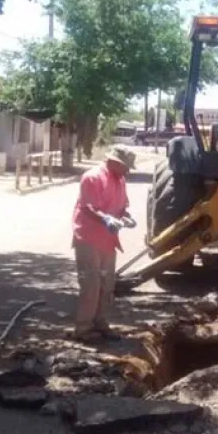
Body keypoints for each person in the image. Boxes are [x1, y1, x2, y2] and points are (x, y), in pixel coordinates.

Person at [71, 145, 136, 342]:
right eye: (125, 167)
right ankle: (83, 328)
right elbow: (89, 207)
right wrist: (106, 219)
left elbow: (123, 205)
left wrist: (126, 217)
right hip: (89, 238)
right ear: (115, 162)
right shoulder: (92, 177)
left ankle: (101, 322)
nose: (127, 171)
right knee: (91, 283)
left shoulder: (120, 179)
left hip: (108, 240)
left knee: (107, 284)